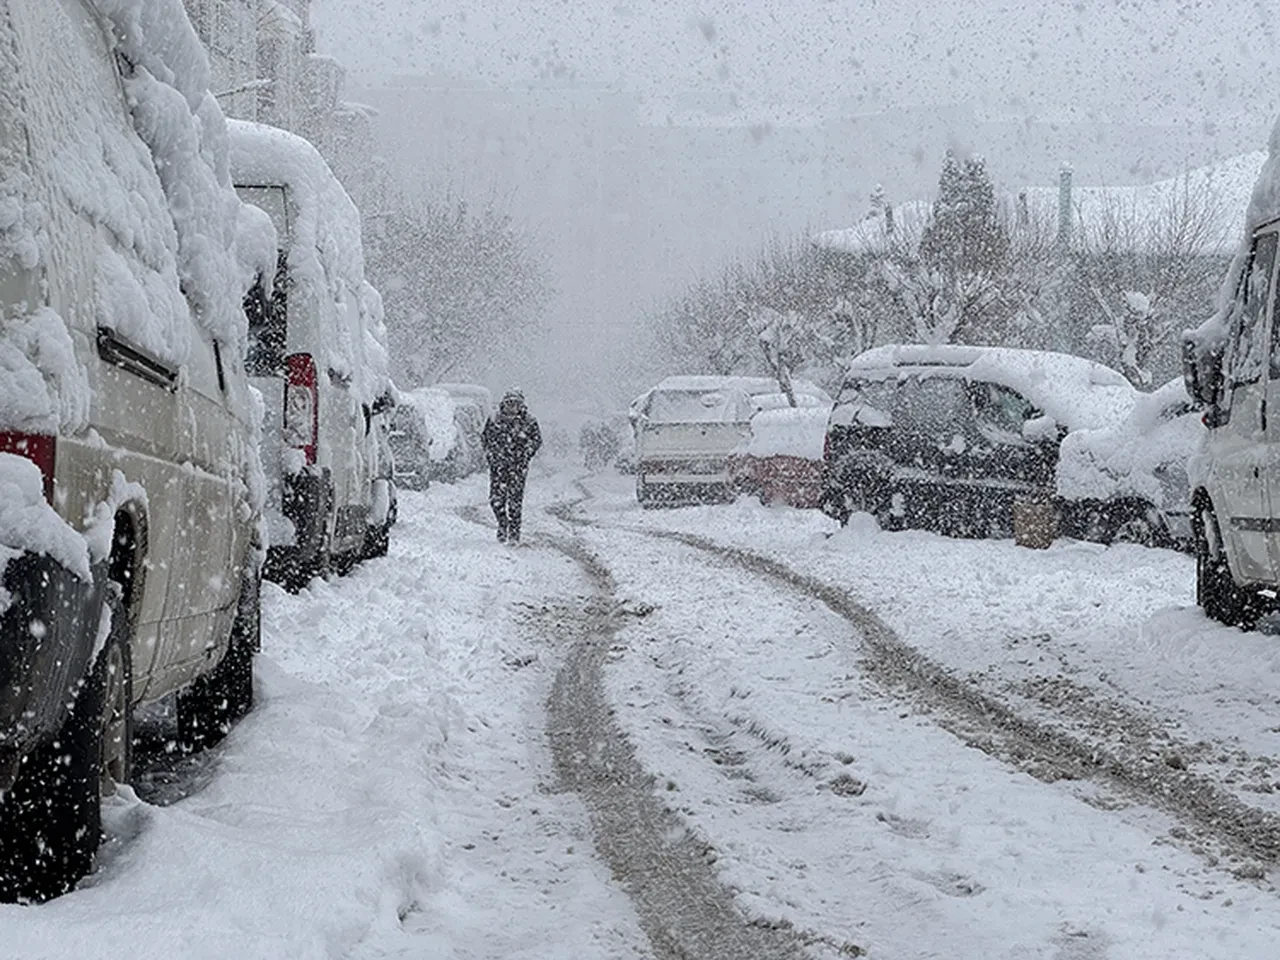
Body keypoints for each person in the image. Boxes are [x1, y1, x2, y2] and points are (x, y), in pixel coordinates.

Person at [481, 390, 542, 543]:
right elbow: (485, 438)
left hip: (518, 467)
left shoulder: (529, 421)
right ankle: (502, 524)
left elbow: (537, 440)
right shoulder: (494, 419)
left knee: (515, 500)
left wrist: (526, 453)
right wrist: (491, 454)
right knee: (496, 499)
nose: (511, 407)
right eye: (509, 403)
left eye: (515, 403)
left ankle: (514, 532)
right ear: (504, 403)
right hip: (498, 465)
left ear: (521, 405)